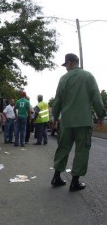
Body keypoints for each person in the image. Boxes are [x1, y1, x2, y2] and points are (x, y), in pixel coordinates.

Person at [51, 53, 106, 192]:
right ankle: (75, 182)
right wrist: (101, 116)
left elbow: (57, 100)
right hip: (83, 121)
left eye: (66, 65)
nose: (65, 68)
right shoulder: (88, 76)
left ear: (70, 62)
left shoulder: (64, 79)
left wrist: (55, 117)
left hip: (67, 121)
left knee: (63, 148)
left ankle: (56, 177)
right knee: (82, 151)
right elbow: (96, 98)